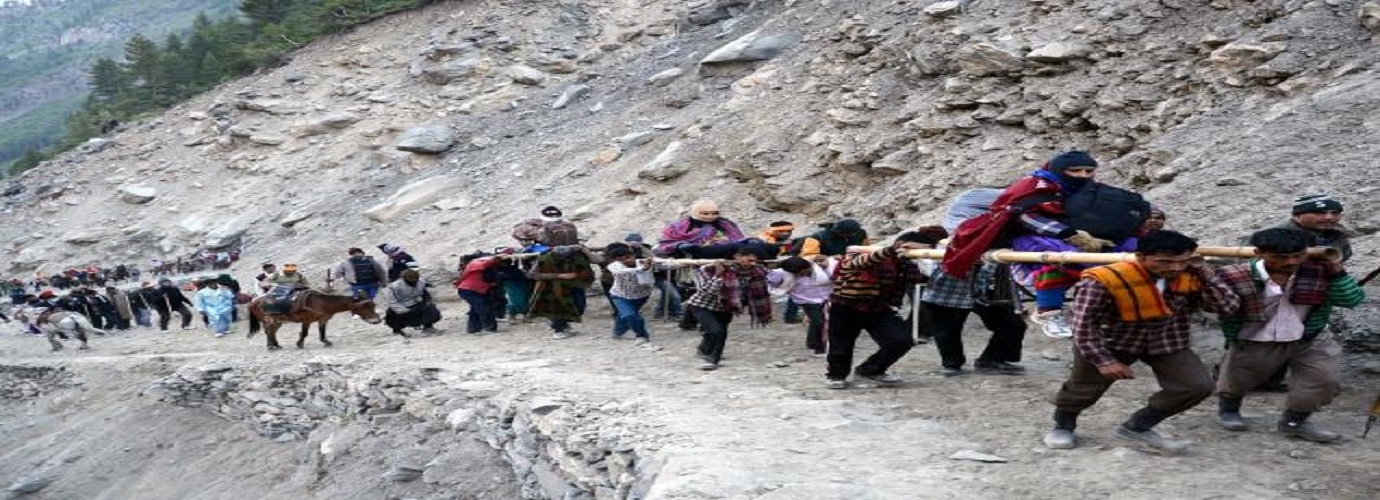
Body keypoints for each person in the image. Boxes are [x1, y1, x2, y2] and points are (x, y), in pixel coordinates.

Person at [1043, 230, 1240, 453]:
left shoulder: (1192, 275)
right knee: (1083, 388)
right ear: (1140, 257)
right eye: (1164, 261)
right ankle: (1063, 426)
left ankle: (1138, 426)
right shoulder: (1104, 280)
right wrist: (1104, 361)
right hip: (1113, 340)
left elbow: (1228, 307)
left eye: (1182, 261)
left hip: (1167, 338)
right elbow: (1084, 325)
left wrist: (1205, 271)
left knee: (1196, 386)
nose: (1174, 268)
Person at [942, 151, 1145, 339]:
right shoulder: (1032, 187)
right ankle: (1049, 312)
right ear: (1059, 171)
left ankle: (1117, 309)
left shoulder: (1090, 189)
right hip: (1031, 236)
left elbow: (1115, 207)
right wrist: (1070, 234)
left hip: (1083, 234)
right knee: (1053, 258)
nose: (1083, 175)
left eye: (1088, 171)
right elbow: (1023, 215)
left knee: (1134, 249)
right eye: (1075, 171)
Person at [1212, 228, 1364, 442]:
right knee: (1238, 378)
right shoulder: (1234, 274)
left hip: (1309, 333)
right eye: (1281, 258)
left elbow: (1351, 300)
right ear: (1259, 253)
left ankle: (1294, 422)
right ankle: (1229, 410)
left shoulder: (1320, 270)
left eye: (1298, 256)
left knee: (1323, 379)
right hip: (1256, 335)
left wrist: (1338, 272)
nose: (1291, 262)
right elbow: (1217, 307)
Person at [824, 231, 936, 389]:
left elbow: (921, 279)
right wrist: (893, 249)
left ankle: (870, 370)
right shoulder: (862, 254)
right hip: (846, 306)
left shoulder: (906, 264)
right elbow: (863, 262)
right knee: (841, 345)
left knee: (901, 340)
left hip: (879, 308)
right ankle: (836, 376)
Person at [922, 261, 1027, 377]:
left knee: (1013, 323)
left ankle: (993, 358)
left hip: (990, 287)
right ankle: (951, 363)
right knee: (947, 326)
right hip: (952, 285)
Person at [685, 246, 772, 371]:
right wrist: (719, 274)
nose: (753, 264)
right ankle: (710, 358)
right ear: (737, 257)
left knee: (722, 332)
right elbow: (706, 291)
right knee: (715, 331)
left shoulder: (757, 271)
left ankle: (710, 354)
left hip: (726, 307)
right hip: (702, 304)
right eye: (750, 260)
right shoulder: (709, 269)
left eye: (756, 262)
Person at [767, 256, 835, 355]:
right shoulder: (784, 273)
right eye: (799, 273)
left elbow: (833, 276)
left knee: (819, 321)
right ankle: (819, 345)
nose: (802, 274)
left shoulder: (820, 267)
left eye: (804, 271)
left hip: (825, 297)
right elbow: (771, 281)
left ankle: (811, 342)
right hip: (806, 300)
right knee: (819, 321)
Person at [528, 245, 596, 339]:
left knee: (579, 306)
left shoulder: (577, 257)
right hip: (552, 287)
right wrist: (560, 275)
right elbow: (533, 275)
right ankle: (558, 329)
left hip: (575, 285)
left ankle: (564, 324)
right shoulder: (545, 258)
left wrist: (583, 249)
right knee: (557, 309)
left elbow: (594, 264)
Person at [654, 200, 751, 259]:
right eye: (706, 213)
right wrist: (681, 245)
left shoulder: (725, 224)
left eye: (714, 213)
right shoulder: (678, 226)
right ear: (696, 212)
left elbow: (737, 239)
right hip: (695, 254)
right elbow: (665, 245)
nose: (711, 216)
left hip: (727, 253)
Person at [605, 246, 656, 345]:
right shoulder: (614, 266)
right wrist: (641, 269)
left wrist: (656, 262)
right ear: (616, 260)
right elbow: (620, 271)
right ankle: (641, 335)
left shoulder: (643, 262)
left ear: (633, 255)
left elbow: (665, 266)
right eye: (621, 259)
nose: (625, 260)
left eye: (628, 257)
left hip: (642, 295)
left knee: (626, 315)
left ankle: (618, 332)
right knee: (630, 314)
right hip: (620, 295)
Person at [1277, 193, 1351, 262]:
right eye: (1320, 213)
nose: (1329, 217)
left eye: (1335, 213)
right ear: (1296, 216)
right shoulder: (1277, 235)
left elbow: (1342, 260)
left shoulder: (1337, 233)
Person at [455, 252, 505, 334]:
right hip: (469, 290)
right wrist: (496, 259)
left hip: (470, 290)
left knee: (475, 309)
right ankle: (488, 328)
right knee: (483, 308)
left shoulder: (475, 266)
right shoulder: (477, 265)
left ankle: (474, 328)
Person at [382, 269, 442, 336]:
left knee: (431, 310)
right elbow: (392, 301)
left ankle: (428, 327)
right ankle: (397, 330)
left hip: (416, 302)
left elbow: (425, 293)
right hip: (402, 305)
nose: (414, 283)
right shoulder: (394, 286)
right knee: (392, 316)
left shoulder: (421, 282)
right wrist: (403, 310)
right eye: (411, 281)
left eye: (415, 281)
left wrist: (427, 301)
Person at [797, 219, 871, 260]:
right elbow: (807, 256)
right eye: (849, 234)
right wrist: (829, 258)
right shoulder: (816, 237)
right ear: (838, 232)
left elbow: (865, 248)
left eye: (855, 233)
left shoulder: (861, 233)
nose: (854, 235)